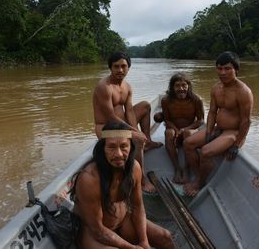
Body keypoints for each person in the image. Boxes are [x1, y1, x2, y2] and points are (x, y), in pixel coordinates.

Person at [70, 122, 176, 249]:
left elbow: (137, 208)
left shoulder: (134, 168)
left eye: (124, 146)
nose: (119, 154)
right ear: (102, 149)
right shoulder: (89, 179)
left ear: (131, 147)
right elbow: (97, 230)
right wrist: (132, 247)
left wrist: (144, 242)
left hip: (123, 222)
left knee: (165, 237)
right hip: (92, 233)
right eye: (111, 147)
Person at [183, 51, 253, 197]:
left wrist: (237, 144)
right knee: (188, 143)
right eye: (219, 68)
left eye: (227, 69)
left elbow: (246, 121)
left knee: (205, 151)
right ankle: (199, 174)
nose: (223, 72)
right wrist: (208, 131)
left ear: (236, 70)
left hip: (233, 132)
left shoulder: (243, 92)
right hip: (218, 128)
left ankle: (200, 182)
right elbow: (213, 112)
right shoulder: (216, 88)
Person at [93, 52, 163, 193]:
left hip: (122, 123)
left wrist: (135, 130)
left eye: (123, 66)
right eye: (116, 66)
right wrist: (135, 132)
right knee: (137, 140)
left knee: (145, 105)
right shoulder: (104, 87)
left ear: (128, 68)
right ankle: (142, 180)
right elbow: (110, 116)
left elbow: (130, 111)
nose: (120, 70)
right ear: (110, 68)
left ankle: (148, 141)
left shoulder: (127, 86)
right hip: (106, 128)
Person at [159, 73, 204, 184]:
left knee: (188, 133)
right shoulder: (166, 100)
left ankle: (186, 169)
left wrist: (184, 130)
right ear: (172, 88)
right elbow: (167, 120)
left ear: (189, 86)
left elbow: (200, 120)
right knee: (169, 133)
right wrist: (176, 130)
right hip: (175, 131)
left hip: (189, 131)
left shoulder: (196, 100)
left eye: (184, 85)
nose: (181, 89)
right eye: (177, 86)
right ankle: (177, 169)